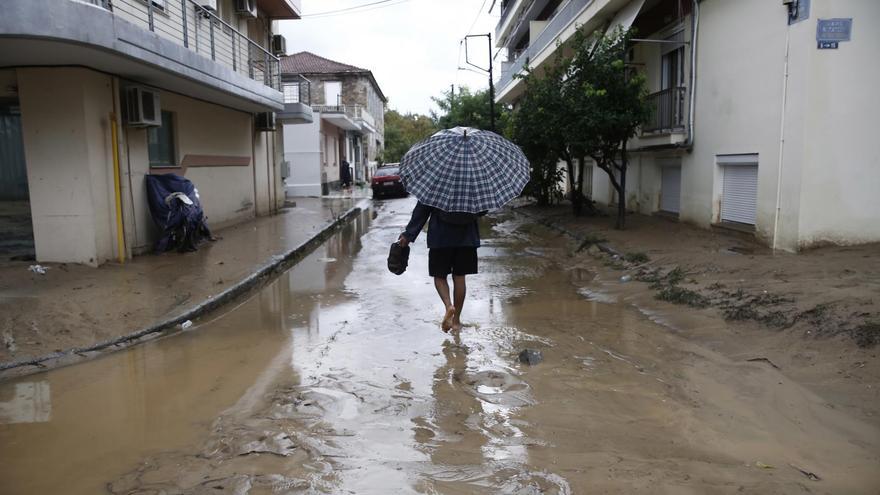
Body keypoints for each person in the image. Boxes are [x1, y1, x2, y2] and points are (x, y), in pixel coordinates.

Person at [398, 202, 484, 333]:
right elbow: (482, 209)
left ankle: (449, 306)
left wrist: (409, 234)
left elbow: (422, 209)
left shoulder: (436, 183)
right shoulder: (474, 185)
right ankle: (456, 322)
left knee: (439, 276)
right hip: (466, 236)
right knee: (460, 277)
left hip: (440, 236)